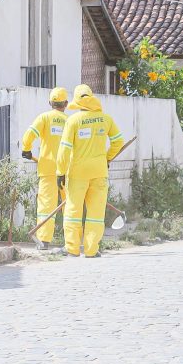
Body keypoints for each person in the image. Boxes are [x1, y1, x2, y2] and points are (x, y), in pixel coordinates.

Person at [56, 84, 125, 258]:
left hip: (78, 173)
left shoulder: (73, 121)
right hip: (99, 172)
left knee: (73, 211)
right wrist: (107, 158)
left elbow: (64, 149)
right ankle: (91, 250)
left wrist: (60, 172)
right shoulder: (106, 119)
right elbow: (118, 142)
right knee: (96, 213)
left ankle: (72, 248)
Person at [21, 86, 70, 250]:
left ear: (50, 103)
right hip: (67, 170)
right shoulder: (70, 121)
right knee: (70, 205)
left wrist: (26, 149)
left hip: (48, 168)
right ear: (66, 104)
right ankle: (72, 242)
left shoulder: (44, 118)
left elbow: (29, 135)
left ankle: (43, 241)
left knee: (46, 206)